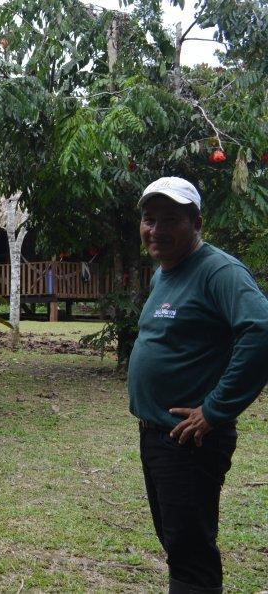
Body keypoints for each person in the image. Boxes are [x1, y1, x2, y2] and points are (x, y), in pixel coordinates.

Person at [128, 176, 268, 594]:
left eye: (170, 219)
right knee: (178, 543)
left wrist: (216, 409)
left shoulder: (219, 271)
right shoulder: (163, 274)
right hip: (157, 434)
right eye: (149, 219)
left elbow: (260, 331)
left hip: (190, 440)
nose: (156, 229)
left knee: (190, 554)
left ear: (197, 223)